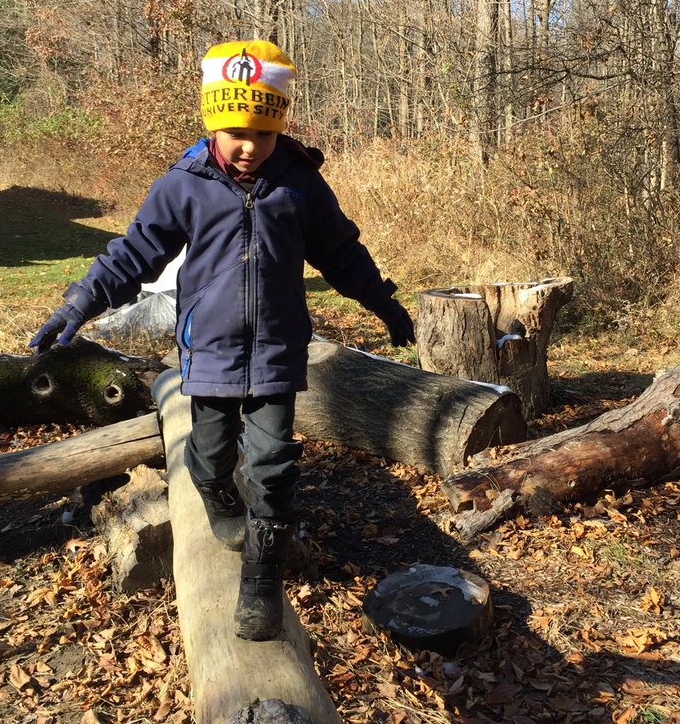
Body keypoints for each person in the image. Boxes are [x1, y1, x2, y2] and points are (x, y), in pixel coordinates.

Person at [30, 39, 414, 641]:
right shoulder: (185, 184)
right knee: (209, 459)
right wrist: (80, 302)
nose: (246, 146)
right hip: (209, 350)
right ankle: (215, 495)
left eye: (261, 134)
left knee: (274, 468)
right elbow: (133, 253)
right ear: (212, 122)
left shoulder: (300, 185)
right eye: (234, 132)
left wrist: (383, 301)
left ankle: (261, 583)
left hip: (277, 351)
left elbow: (340, 251)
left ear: (278, 127)